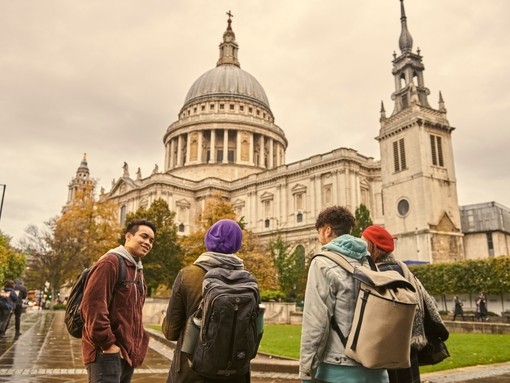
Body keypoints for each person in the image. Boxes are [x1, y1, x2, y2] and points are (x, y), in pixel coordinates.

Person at [299, 206, 389, 383]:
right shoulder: (369, 262)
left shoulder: (322, 263)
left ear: (327, 230)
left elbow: (316, 323)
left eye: (319, 232)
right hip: (376, 368)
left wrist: (306, 372)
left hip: (338, 369)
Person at [162, 218, 247, 383]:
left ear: (208, 239)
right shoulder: (248, 279)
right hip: (235, 372)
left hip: (193, 371)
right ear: (238, 244)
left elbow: (170, 331)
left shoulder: (188, 275)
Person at [361, 225, 449, 383]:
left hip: (384, 350)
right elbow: (430, 305)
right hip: (410, 347)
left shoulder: (374, 276)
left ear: (372, 247)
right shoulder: (406, 272)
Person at [81, 219, 156, 383]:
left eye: (151, 240)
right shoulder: (110, 263)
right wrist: (108, 344)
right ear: (128, 236)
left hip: (126, 354)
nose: (148, 243)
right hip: (106, 353)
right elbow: (93, 307)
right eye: (144, 236)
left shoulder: (136, 269)